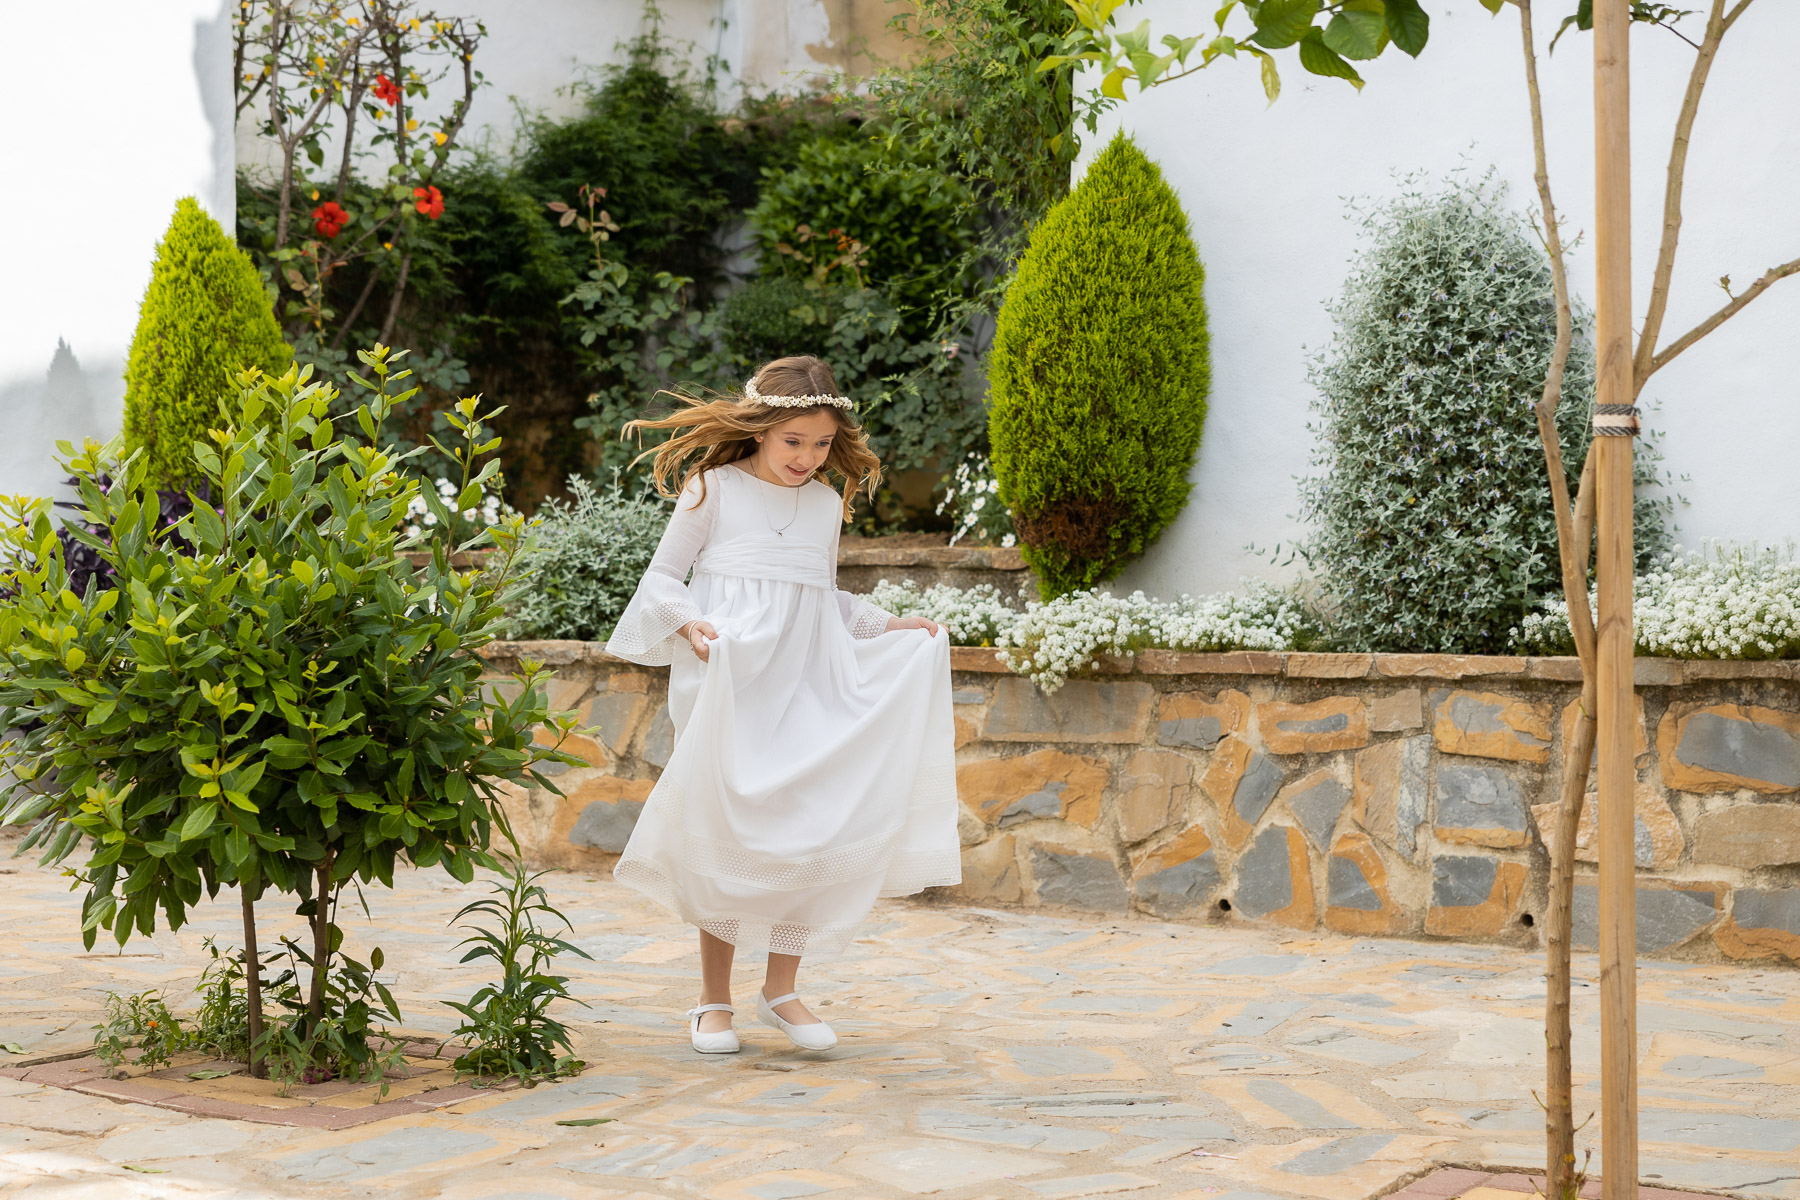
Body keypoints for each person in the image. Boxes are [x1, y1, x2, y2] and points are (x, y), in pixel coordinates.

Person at [606, 356, 962, 1054]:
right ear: (762, 430)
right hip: (729, 680)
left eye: (823, 444)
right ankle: (713, 1001)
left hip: (805, 679)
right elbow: (660, 580)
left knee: (811, 825)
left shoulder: (826, 505)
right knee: (730, 829)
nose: (808, 457)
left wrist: (886, 625)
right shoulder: (712, 489)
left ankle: (782, 989)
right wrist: (688, 623)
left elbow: (816, 597)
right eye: (794, 440)